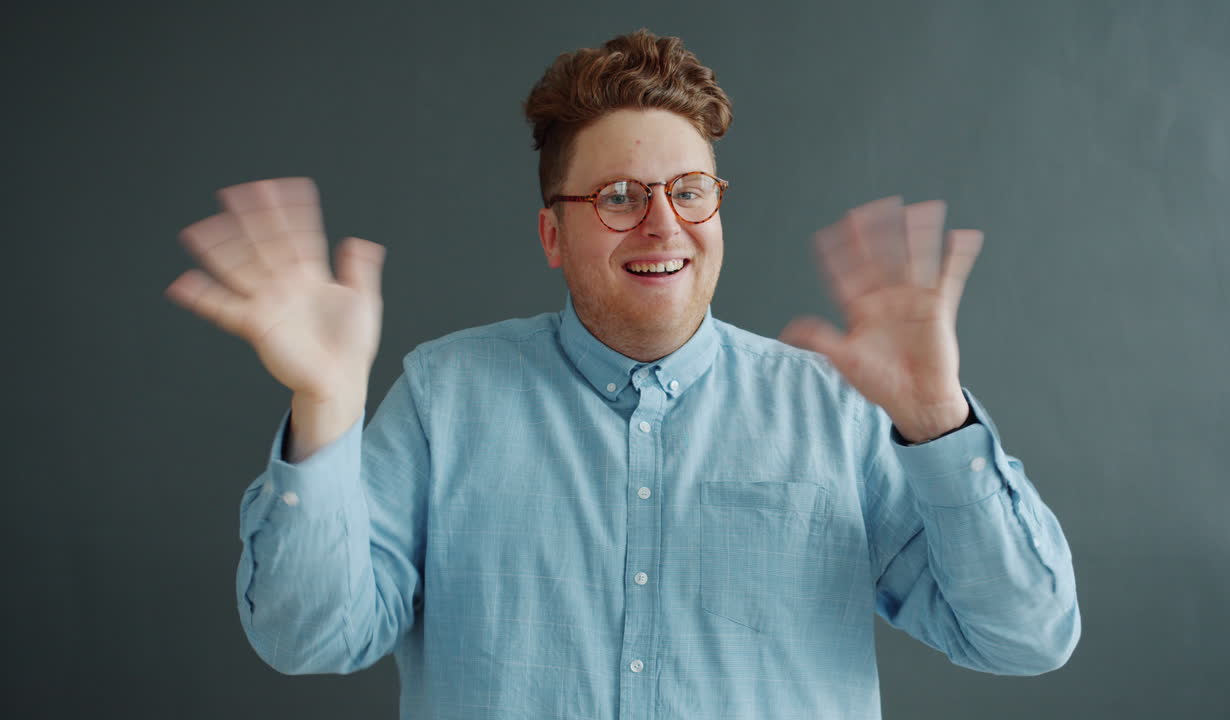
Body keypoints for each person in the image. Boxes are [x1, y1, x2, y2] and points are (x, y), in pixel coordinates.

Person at [164, 28, 1079, 720]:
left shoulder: (838, 409)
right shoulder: (447, 397)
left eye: (688, 191)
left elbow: (1025, 638)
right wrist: (324, 405)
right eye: (616, 197)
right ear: (553, 235)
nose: (662, 224)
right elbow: (309, 638)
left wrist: (938, 421)